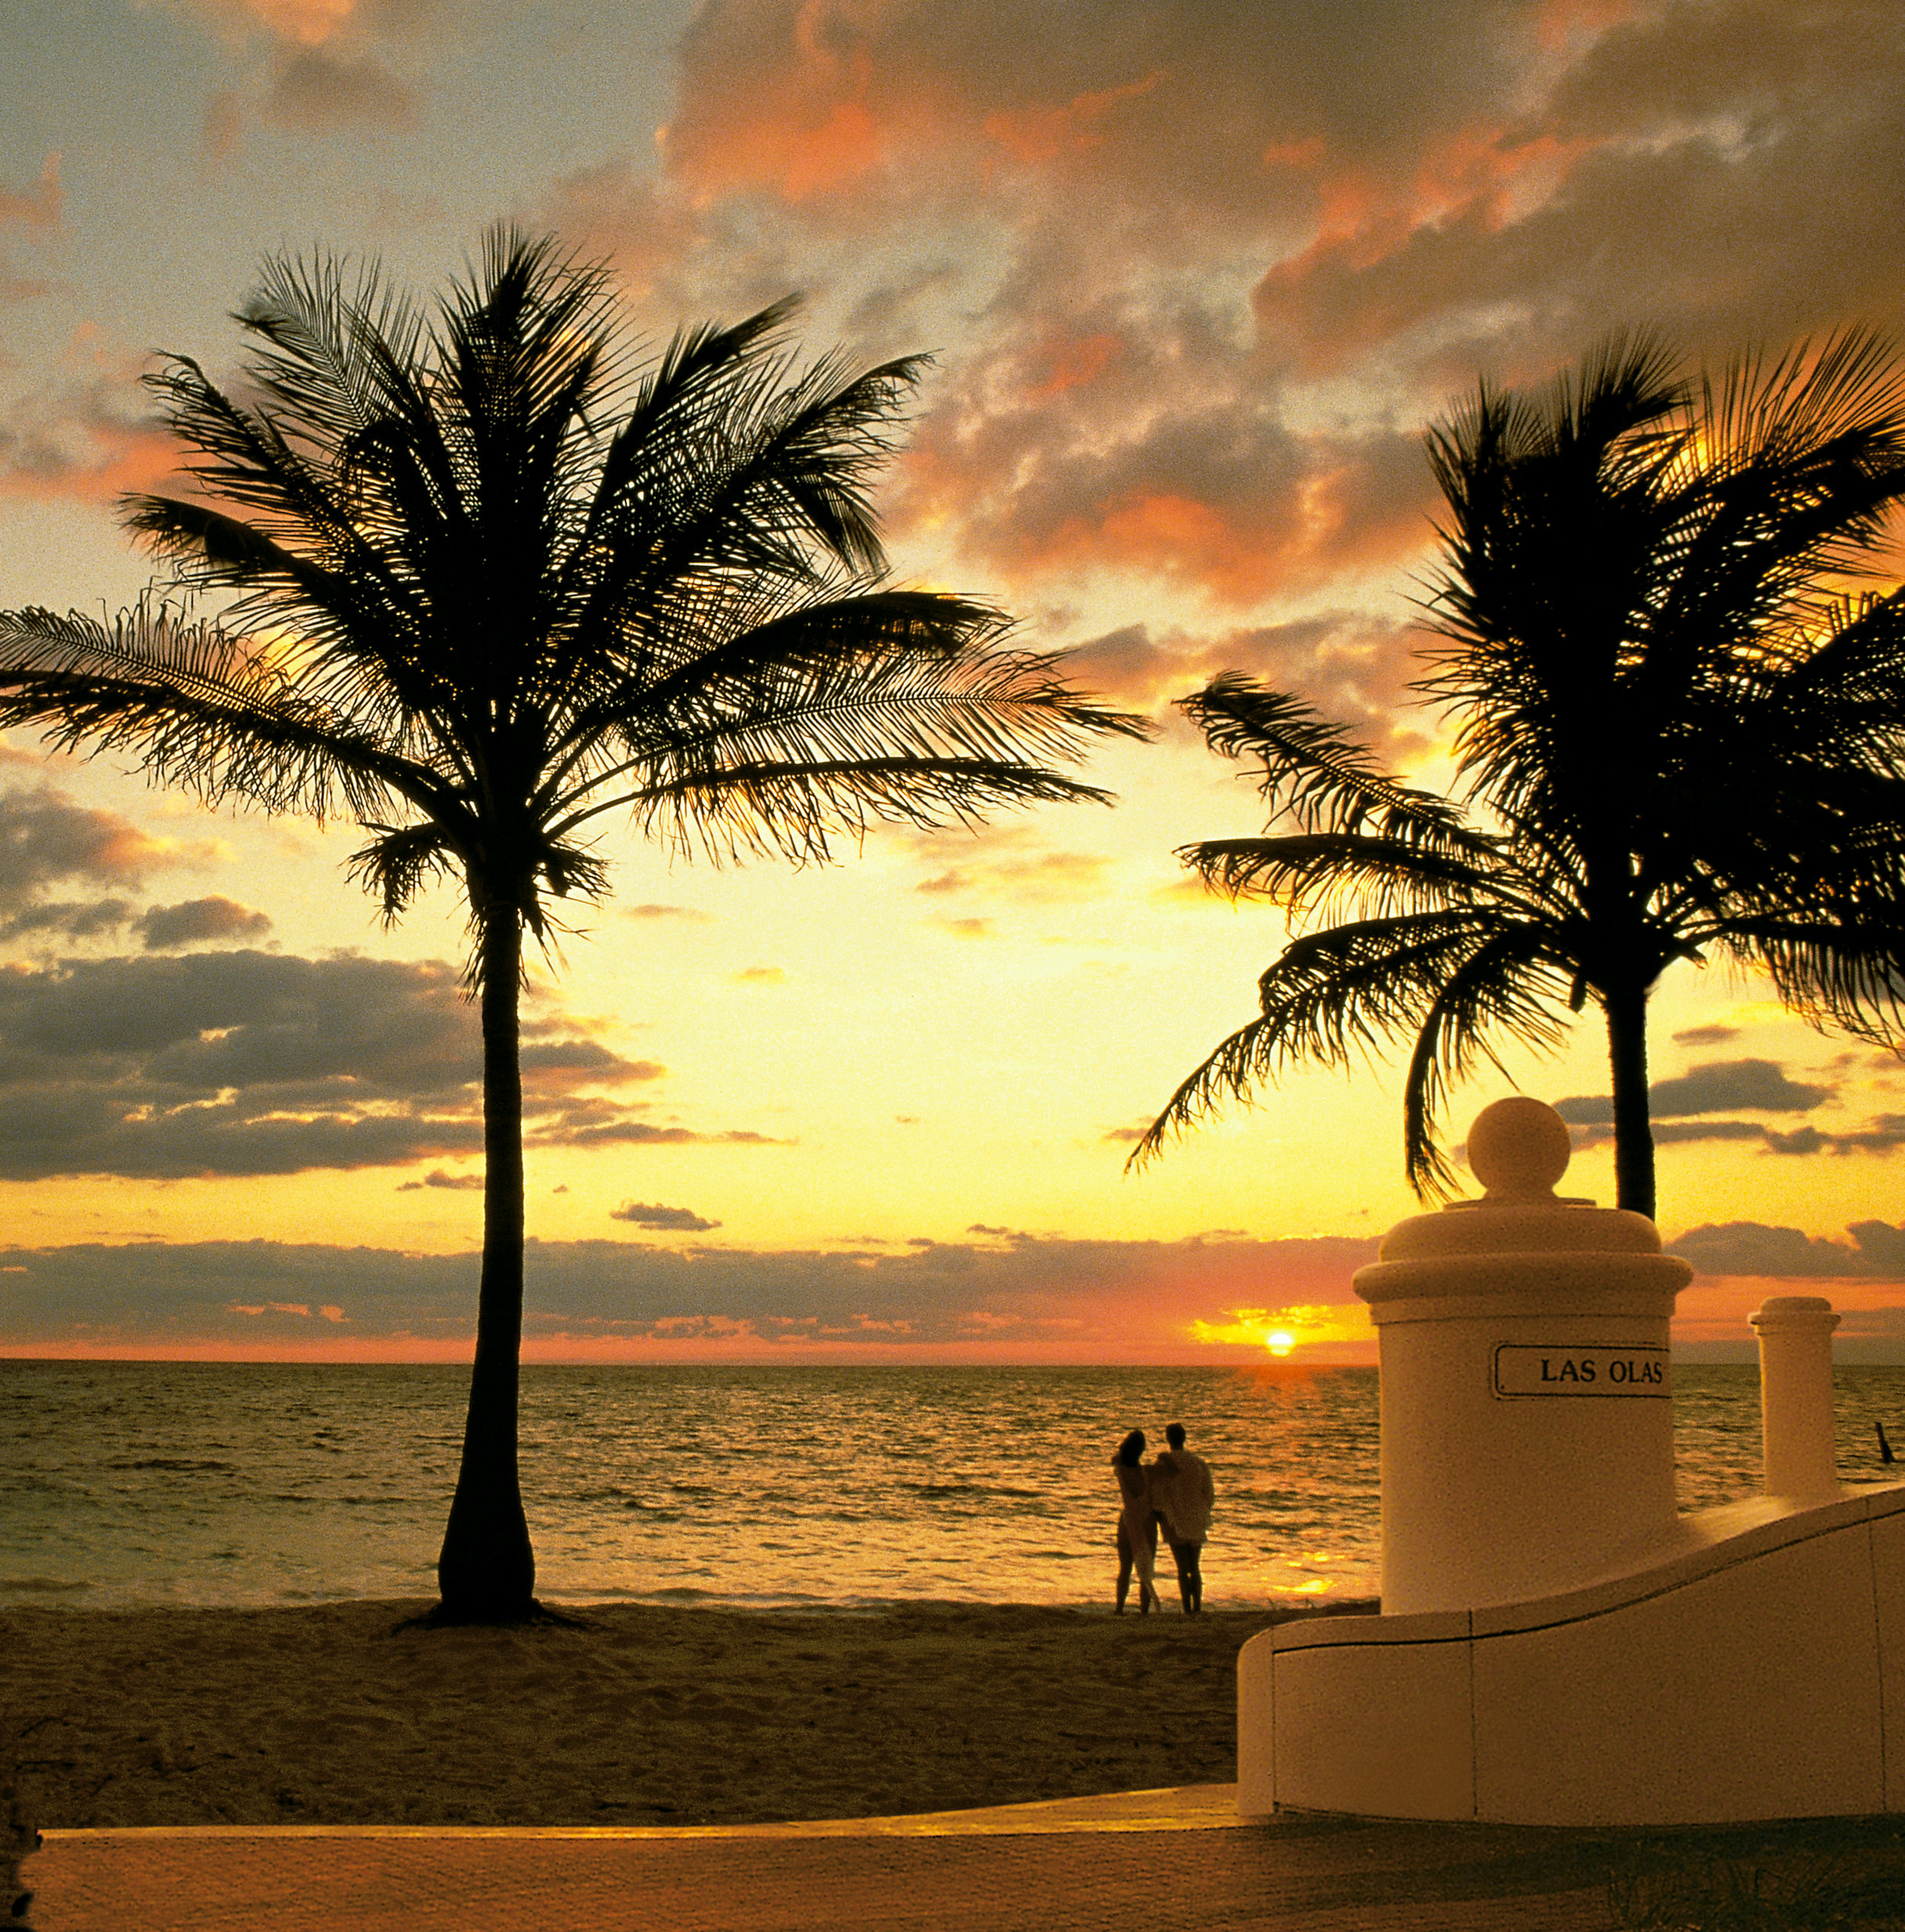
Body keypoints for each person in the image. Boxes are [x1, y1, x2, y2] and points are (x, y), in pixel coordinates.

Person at [1151, 1421, 1215, 1613]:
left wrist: (1160, 1515)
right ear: (1184, 1438)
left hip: (1175, 1519)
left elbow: (1157, 1494)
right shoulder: (1198, 1463)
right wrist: (1202, 1510)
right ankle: (1197, 1607)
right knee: (1194, 1566)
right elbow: (1209, 1494)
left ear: (1168, 1439)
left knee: (1182, 1567)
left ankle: (1188, 1607)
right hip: (1196, 1518)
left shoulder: (1164, 1463)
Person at [1111, 1428, 1161, 1614]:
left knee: (1124, 1569)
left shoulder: (1120, 1469)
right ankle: (1144, 1611)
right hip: (1146, 1521)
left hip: (1127, 1521)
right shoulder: (1147, 1473)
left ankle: (1119, 1608)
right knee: (1145, 1572)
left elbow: (1116, 1456)